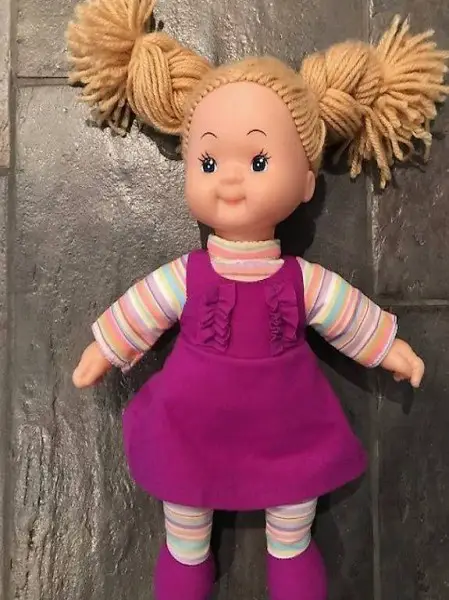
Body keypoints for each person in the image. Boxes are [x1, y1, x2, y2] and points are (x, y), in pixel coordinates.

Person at [66, 1, 448, 598]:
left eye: (259, 160)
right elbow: (145, 306)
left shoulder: (301, 281)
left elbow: (345, 315)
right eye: (209, 160)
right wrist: (106, 347)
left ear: (305, 183)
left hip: (284, 427)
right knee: (184, 512)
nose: (230, 177)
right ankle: (187, 560)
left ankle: (289, 556)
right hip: (192, 426)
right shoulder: (188, 276)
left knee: (293, 514)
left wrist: (387, 348)